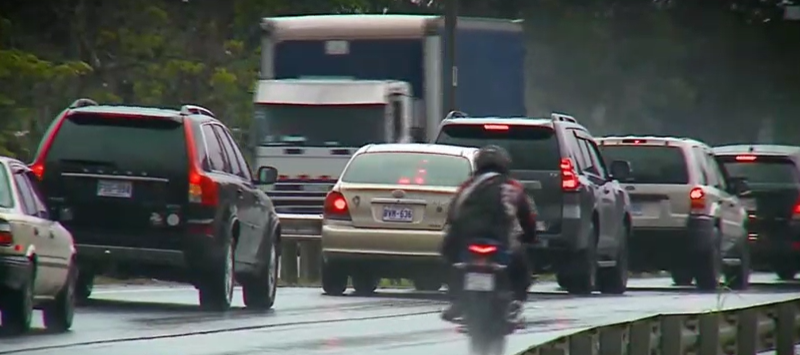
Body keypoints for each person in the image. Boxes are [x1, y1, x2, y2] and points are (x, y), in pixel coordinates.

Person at [439, 145, 538, 323]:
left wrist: (453, 235)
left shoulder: (468, 186)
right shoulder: (512, 186)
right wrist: (530, 237)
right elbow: (528, 218)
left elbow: (453, 214)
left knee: (449, 256)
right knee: (522, 267)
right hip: (500, 239)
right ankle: (516, 300)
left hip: (467, 239)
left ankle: (456, 298)